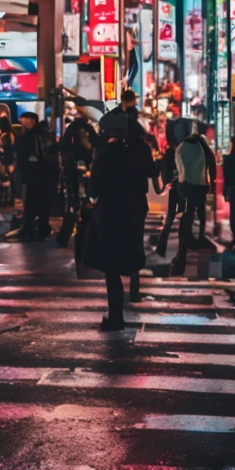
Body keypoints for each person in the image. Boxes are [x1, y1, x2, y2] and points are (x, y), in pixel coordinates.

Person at [84, 114, 155, 330]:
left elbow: (94, 184)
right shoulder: (141, 149)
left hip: (111, 210)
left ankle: (116, 316)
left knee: (111, 265)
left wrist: (93, 200)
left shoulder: (108, 152)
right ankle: (134, 287)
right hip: (134, 208)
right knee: (132, 250)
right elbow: (151, 171)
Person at [170, 123, 217, 275]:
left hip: (185, 185)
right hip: (199, 184)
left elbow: (178, 167)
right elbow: (211, 163)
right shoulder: (201, 146)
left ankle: (186, 238)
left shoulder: (181, 147)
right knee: (200, 209)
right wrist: (212, 181)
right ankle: (199, 236)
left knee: (188, 211)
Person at [13, 111, 58, 240]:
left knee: (30, 204)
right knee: (44, 205)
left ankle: (28, 229)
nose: (22, 122)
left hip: (33, 175)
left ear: (31, 121)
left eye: (24, 120)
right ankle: (42, 229)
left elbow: (21, 158)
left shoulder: (27, 138)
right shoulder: (47, 135)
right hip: (48, 176)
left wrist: (22, 173)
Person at [57, 113, 98, 248]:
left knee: (72, 206)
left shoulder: (70, 131)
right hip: (83, 174)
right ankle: (84, 236)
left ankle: (64, 236)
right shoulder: (87, 130)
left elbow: (63, 148)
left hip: (71, 174)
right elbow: (95, 145)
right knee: (84, 205)